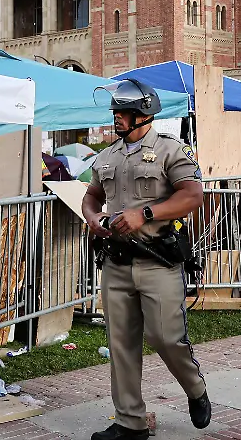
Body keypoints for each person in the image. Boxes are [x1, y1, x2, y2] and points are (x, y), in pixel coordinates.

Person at [82, 79, 211, 440]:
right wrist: (93, 219)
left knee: (166, 337)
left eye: (122, 112)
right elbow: (91, 197)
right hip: (116, 263)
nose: (116, 118)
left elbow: (193, 195)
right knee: (121, 343)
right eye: (115, 112)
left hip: (157, 260)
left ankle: (195, 389)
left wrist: (147, 214)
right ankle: (130, 421)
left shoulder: (170, 151)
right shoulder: (106, 156)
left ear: (143, 114)